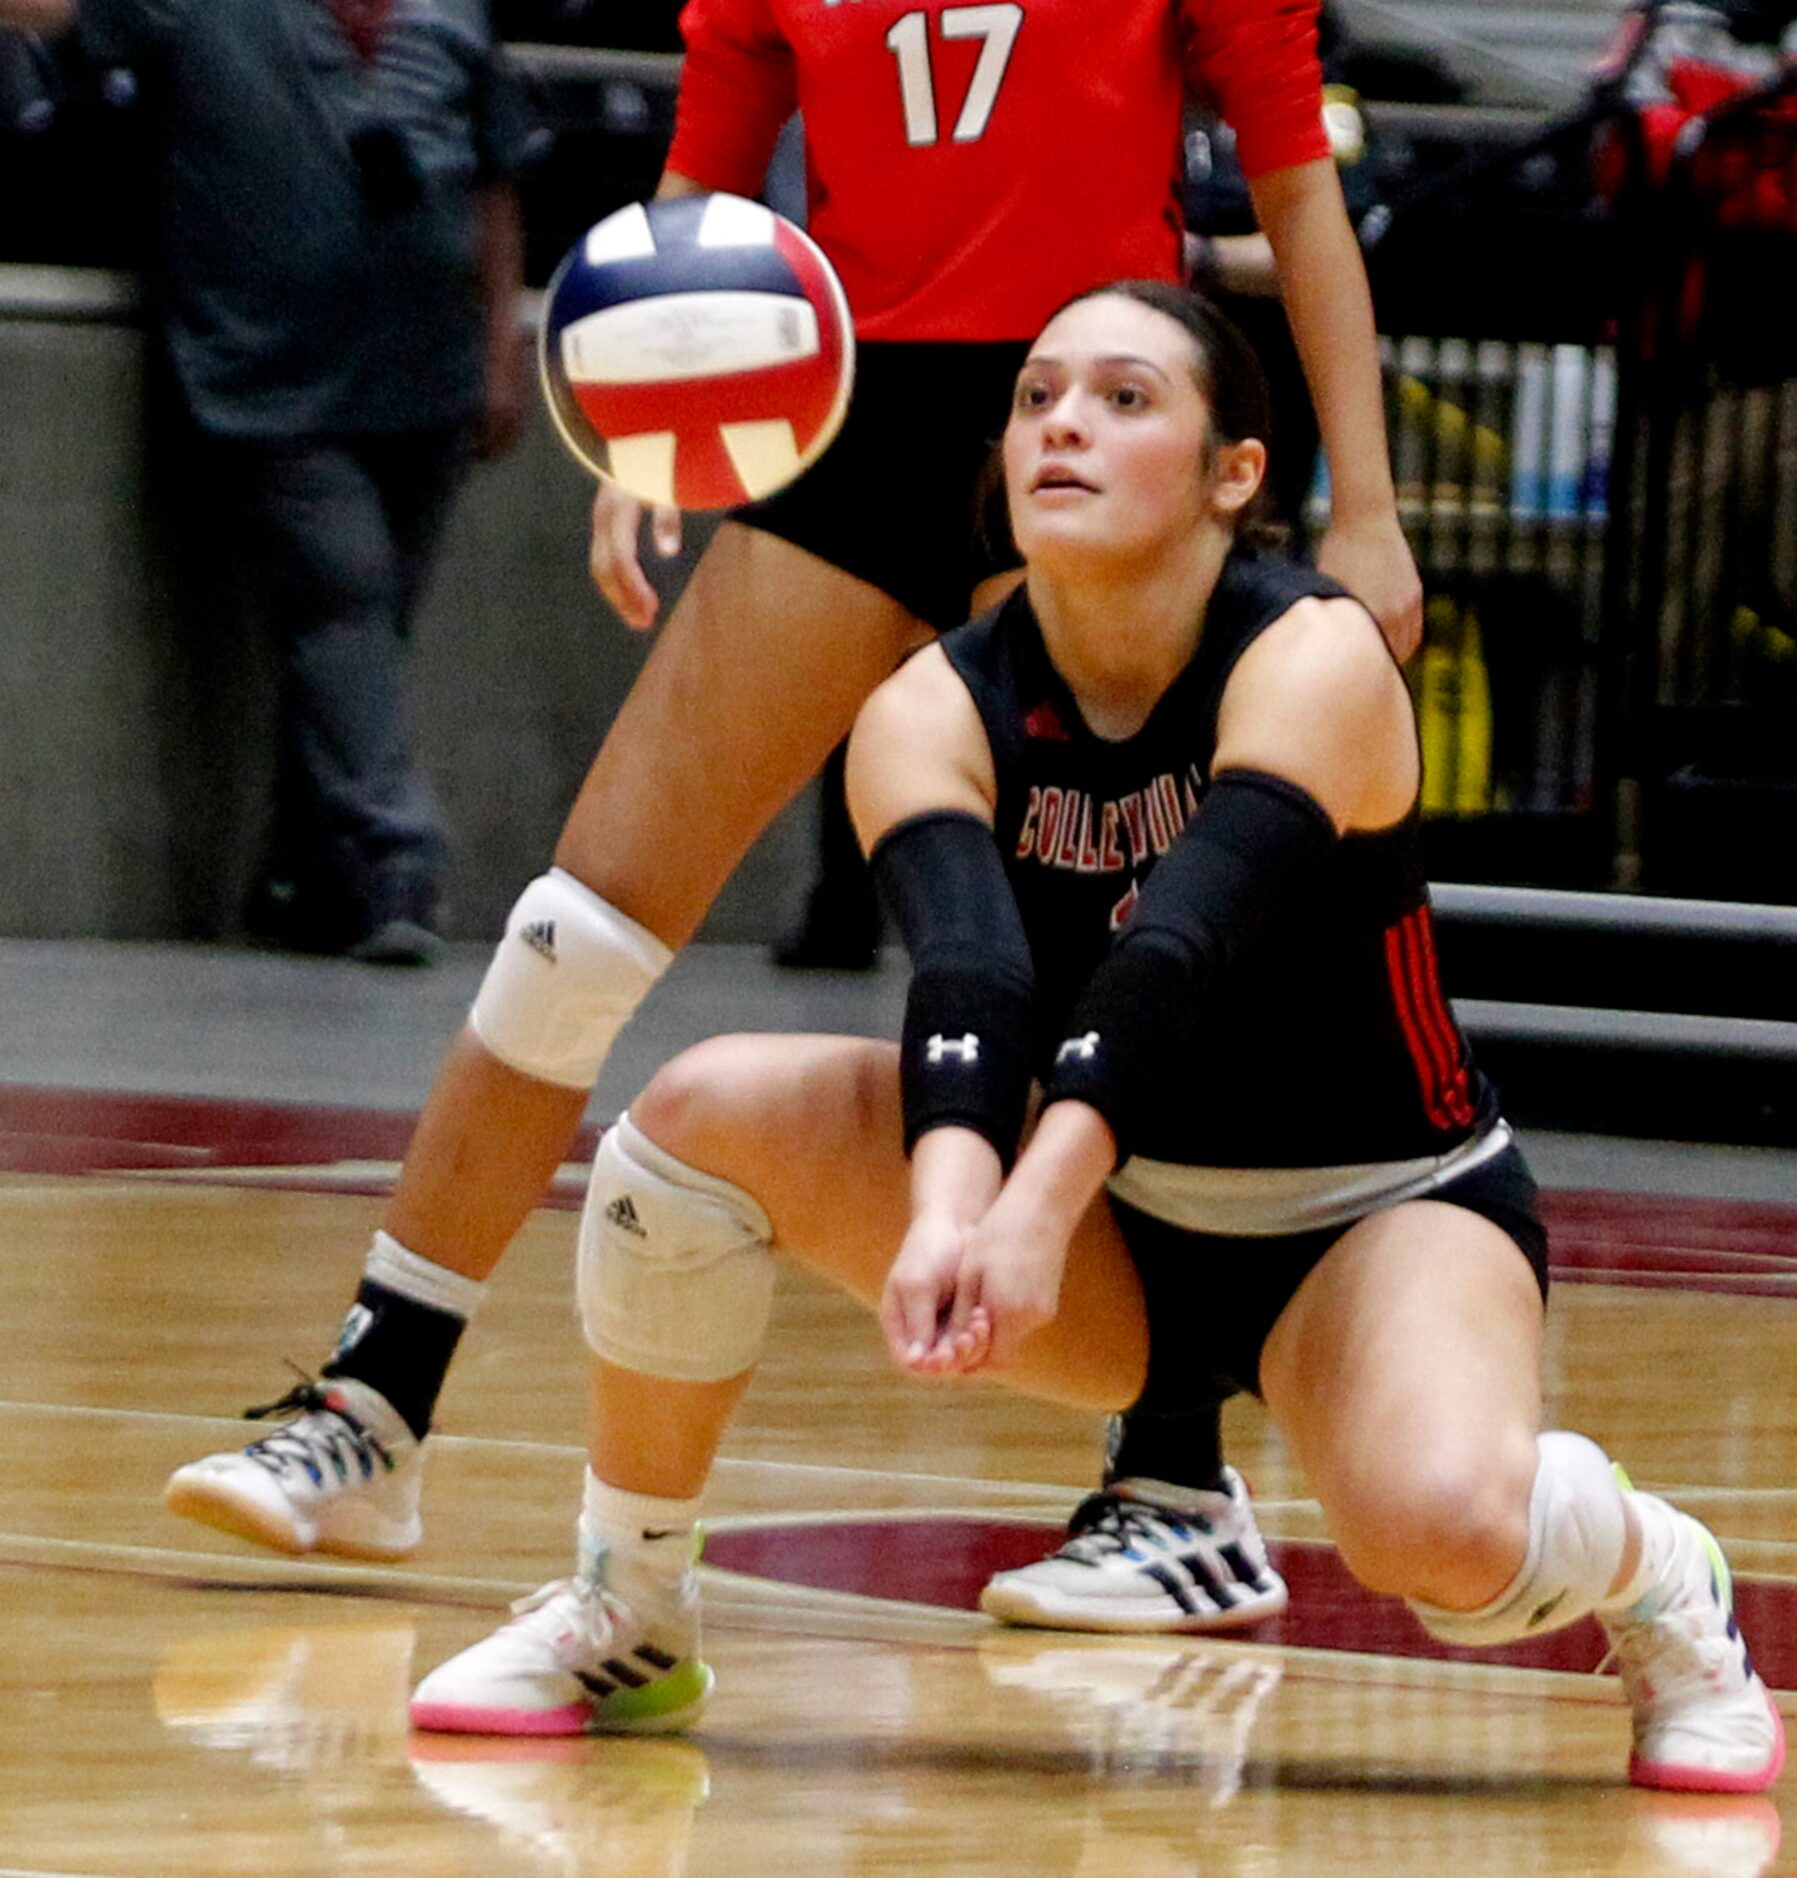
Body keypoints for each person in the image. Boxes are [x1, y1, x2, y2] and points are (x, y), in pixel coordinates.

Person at [405, 284, 1782, 1795]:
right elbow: (973, 977)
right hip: (1123, 1239)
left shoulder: (1313, 656)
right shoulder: (931, 698)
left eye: (1125, 398)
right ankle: (629, 1601)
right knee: (697, 1116)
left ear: (1232, 473)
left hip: (1373, 1211)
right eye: (1038, 396)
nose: (1064, 421)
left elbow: (1174, 954)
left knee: (1442, 1531)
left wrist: (1027, 1212)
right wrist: (945, 1211)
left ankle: (1660, 1576)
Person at [165, 0, 1423, 1629]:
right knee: (573, 929)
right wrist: (641, 447)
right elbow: (692, 219)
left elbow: (1291, 187)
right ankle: (371, 1409)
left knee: (1103, 955)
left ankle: (1172, 1475)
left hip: (1072, 418)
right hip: (840, 423)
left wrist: (1373, 507)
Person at [0, 0, 537, 963]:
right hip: (266, 376)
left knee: (356, 637)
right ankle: (394, 861)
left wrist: (500, 350)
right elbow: (53, 15)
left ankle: (303, 880)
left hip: (424, 379)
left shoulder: (453, 13)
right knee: (346, 593)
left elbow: (493, 180)